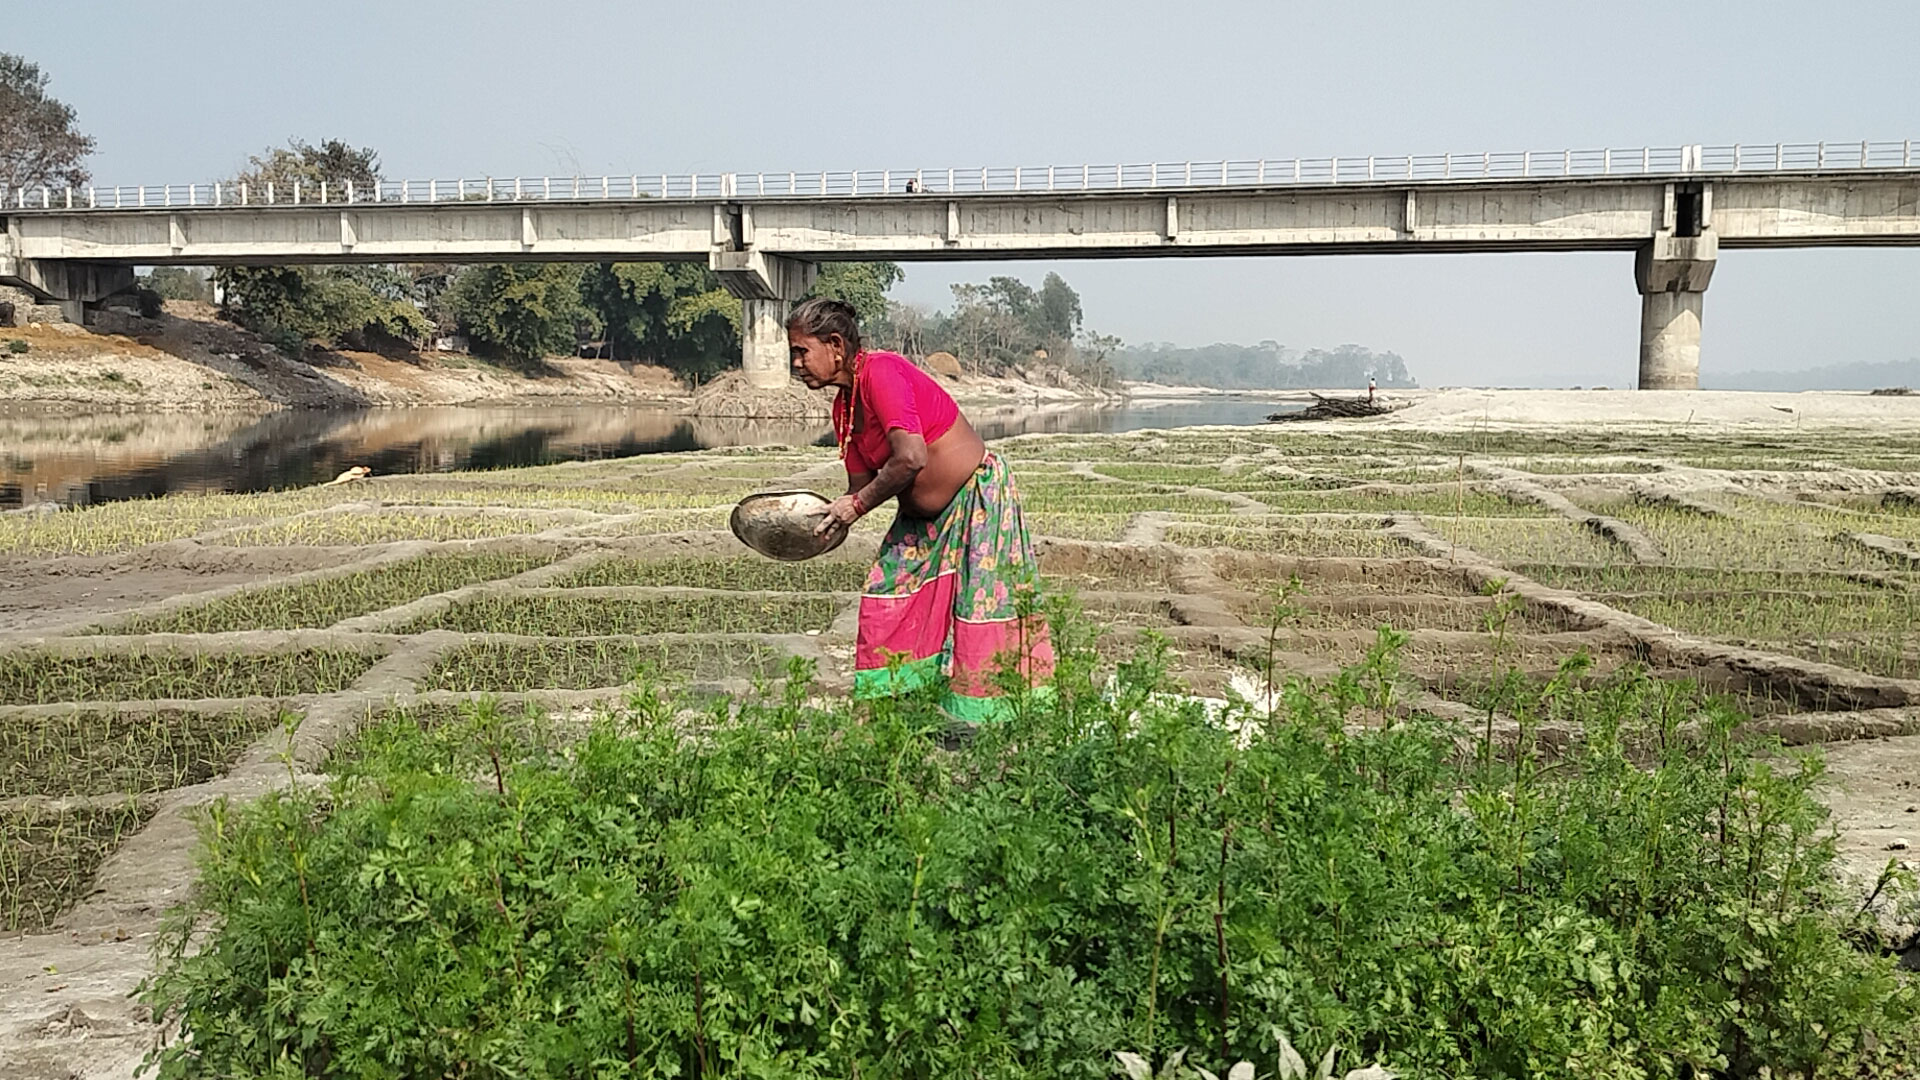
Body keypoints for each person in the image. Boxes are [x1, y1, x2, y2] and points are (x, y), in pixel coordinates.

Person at [788, 297, 1053, 722]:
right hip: (922, 520)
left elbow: (910, 458)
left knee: (983, 609)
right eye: (794, 353)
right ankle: (897, 709)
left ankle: (999, 717)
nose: (796, 363)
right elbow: (861, 487)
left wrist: (854, 507)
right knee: (887, 592)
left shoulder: (882, 373)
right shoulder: (844, 408)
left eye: (801, 351)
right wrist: (823, 526)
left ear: (836, 345)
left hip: (975, 500)